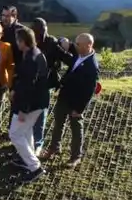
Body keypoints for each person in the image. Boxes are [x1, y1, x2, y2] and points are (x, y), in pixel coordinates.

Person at [41, 33, 100, 168]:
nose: (75, 46)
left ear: (88, 45)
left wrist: (80, 109)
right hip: (64, 97)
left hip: (76, 102)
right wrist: (62, 41)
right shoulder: (79, 53)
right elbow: (66, 48)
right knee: (58, 124)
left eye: (78, 44)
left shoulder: (92, 65)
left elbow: (89, 90)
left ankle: (75, 157)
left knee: (76, 129)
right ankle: (54, 148)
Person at [8, 26, 50, 181]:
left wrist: (22, 110)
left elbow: (28, 87)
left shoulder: (30, 59)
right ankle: (27, 159)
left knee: (15, 134)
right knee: (26, 131)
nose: (16, 43)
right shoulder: (36, 53)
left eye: (18, 40)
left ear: (23, 41)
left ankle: (34, 167)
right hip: (38, 103)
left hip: (30, 105)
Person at [30, 17, 70, 152]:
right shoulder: (31, 41)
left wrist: (77, 62)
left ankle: (38, 142)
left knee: (41, 113)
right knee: (30, 111)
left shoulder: (51, 42)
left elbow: (65, 56)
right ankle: (29, 140)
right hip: (31, 82)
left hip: (46, 83)